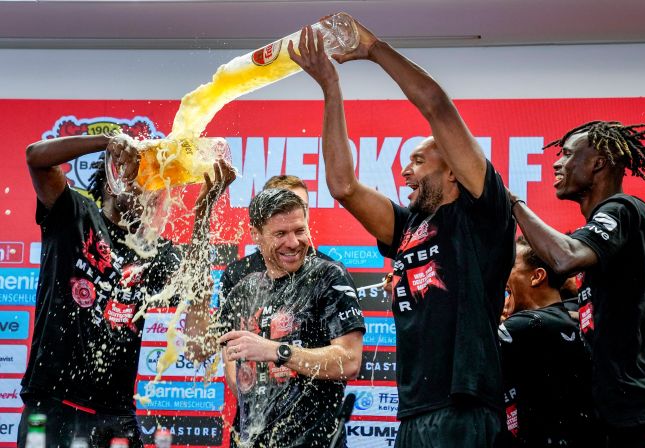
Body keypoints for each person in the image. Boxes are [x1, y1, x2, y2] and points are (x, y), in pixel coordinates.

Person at [289, 22, 516, 447]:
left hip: (463, 407)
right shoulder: (408, 224)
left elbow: (437, 107)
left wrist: (375, 50)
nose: (405, 171)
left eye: (418, 160)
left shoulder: (482, 215)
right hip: (413, 410)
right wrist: (331, 90)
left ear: (453, 169)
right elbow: (343, 186)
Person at [18, 134, 234, 448]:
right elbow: (35, 156)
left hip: (115, 416)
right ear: (113, 179)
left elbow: (199, 329)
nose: (153, 188)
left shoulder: (154, 251)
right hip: (54, 406)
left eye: (157, 182)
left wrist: (203, 212)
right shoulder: (74, 214)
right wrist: (108, 142)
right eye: (144, 175)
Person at [509, 121, 645, 447]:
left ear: (598, 162)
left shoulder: (622, 208)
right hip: (615, 411)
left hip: (634, 412)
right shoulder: (611, 250)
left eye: (568, 154)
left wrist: (513, 203)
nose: (557, 163)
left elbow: (564, 258)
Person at [186, 188, 365, 447]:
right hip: (249, 440)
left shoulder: (328, 277)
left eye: (299, 230)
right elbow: (197, 350)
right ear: (255, 235)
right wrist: (198, 295)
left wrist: (275, 351)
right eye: (280, 234)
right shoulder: (244, 289)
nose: (293, 242)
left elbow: (349, 361)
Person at [498, 236, 598, 447]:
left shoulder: (528, 325)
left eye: (509, 266)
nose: (501, 274)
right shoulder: (572, 318)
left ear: (537, 276)